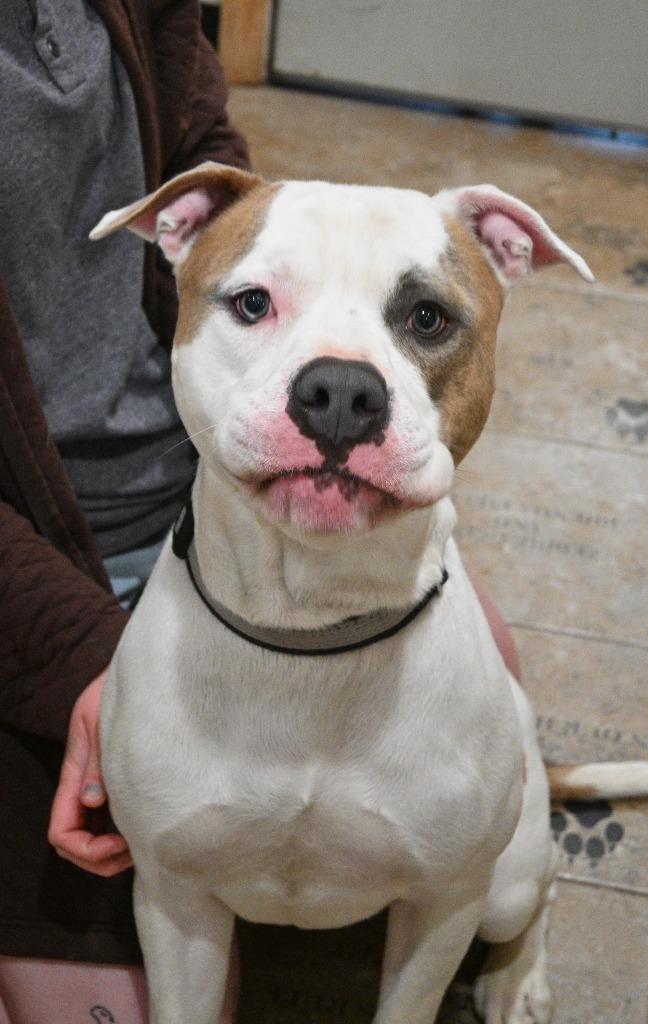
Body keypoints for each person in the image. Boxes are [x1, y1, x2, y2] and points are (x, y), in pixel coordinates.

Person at [0, 2, 521, 1021]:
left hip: (191, 466)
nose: (339, 388)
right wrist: (71, 656)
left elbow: (199, 150)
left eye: (423, 320)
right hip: (29, 558)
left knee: (484, 753)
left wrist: (266, 276)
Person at [0, 1, 248, 1021]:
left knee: (477, 668)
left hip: (181, 485)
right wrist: (92, 661)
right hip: (29, 569)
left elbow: (198, 148)